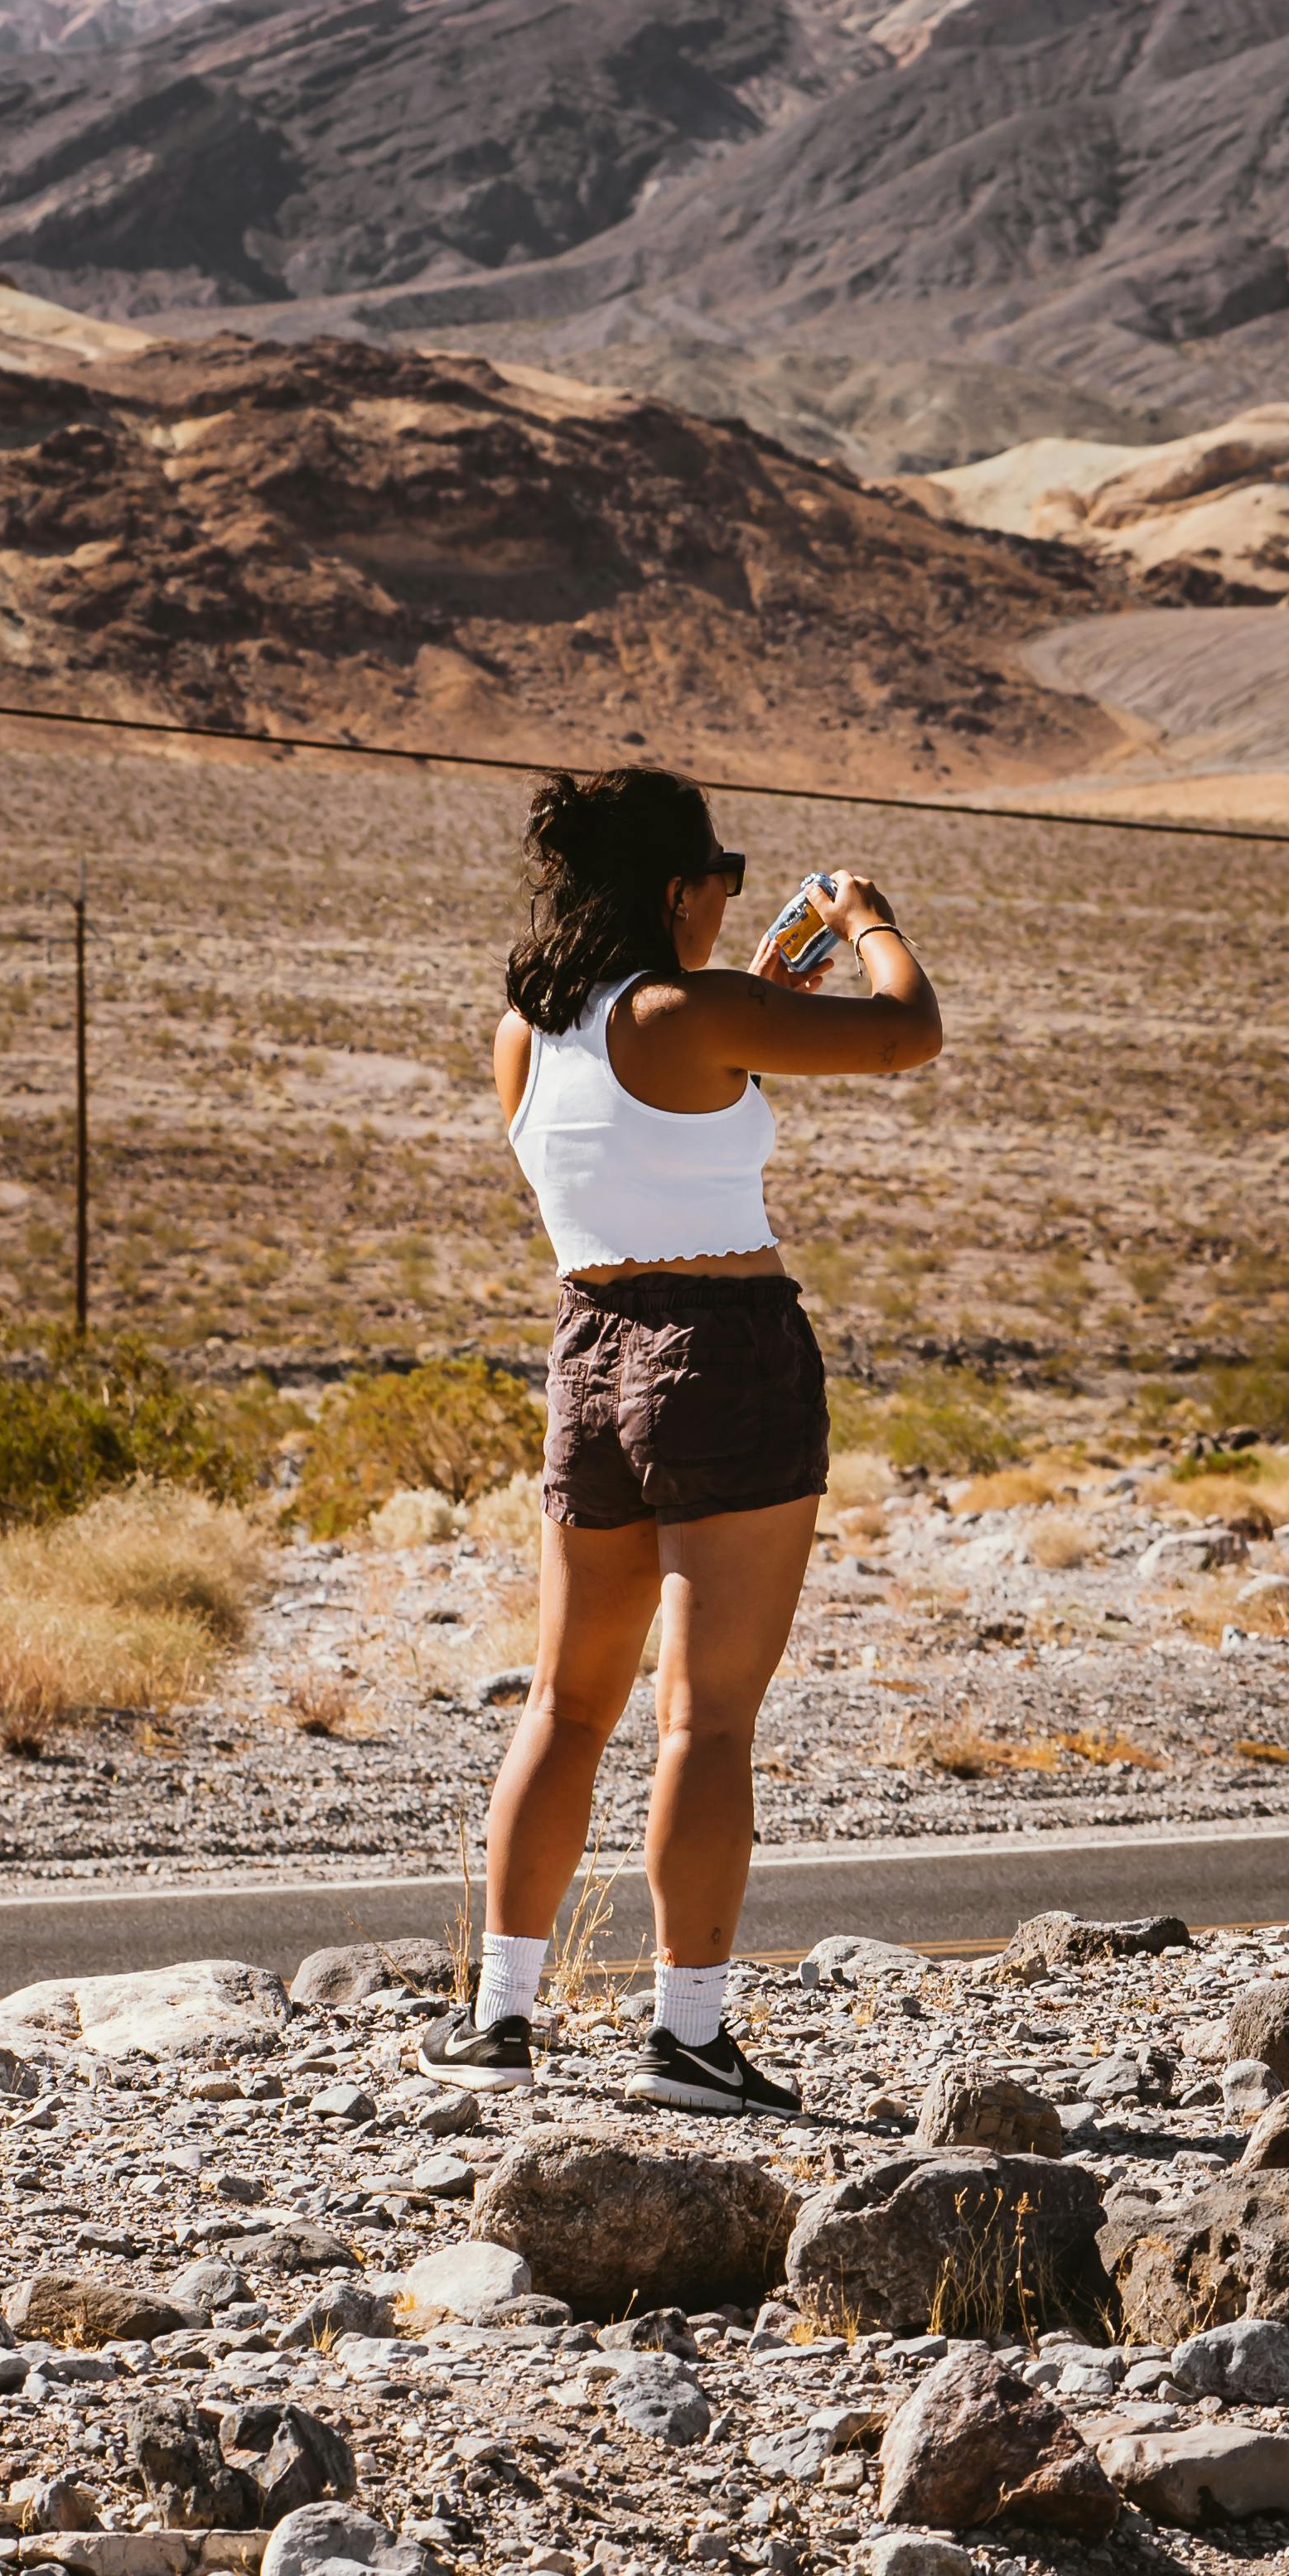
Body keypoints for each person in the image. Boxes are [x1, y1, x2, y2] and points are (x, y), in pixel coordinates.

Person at [420, 765, 943, 2115]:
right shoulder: (691, 1010)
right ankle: (689, 2040)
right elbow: (910, 1031)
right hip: (725, 1356)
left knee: (565, 1705)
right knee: (705, 1721)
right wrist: (868, 921)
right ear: (675, 889)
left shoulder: (529, 1033)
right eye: (723, 877)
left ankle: (498, 2018)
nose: (725, 897)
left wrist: (758, 992)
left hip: (590, 1354)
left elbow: (661, 1116)